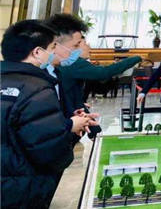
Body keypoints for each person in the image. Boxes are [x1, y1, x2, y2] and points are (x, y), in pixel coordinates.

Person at [1, 20, 97, 208]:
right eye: (52, 47)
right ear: (37, 52)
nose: (55, 52)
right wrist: (69, 128)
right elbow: (49, 150)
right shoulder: (37, 89)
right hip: (21, 187)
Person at [45, 13, 142, 119]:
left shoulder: (58, 66)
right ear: (55, 45)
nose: (89, 47)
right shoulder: (71, 64)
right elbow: (104, 73)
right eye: (77, 45)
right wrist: (137, 58)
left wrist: (75, 104)